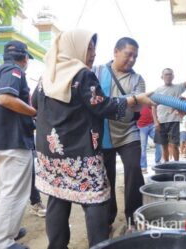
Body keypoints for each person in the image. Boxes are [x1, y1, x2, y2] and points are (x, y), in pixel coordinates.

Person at [32, 30, 154, 248]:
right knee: (96, 200)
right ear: (74, 48)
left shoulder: (47, 75)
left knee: (57, 199)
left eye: (94, 48)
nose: (93, 53)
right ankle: (99, 245)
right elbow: (102, 105)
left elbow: (34, 105)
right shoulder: (83, 75)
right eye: (88, 47)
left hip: (50, 154)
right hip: (80, 153)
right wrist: (134, 99)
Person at [93, 37, 147, 228]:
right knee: (106, 177)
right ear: (116, 51)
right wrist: (126, 100)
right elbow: (92, 100)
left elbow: (136, 106)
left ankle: (133, 217)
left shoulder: (137, 79)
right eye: (128, 54)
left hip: (128, 133)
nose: (132, 59)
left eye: (135, 56)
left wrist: (111, 102)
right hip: (103, 134)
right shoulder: (97, 72)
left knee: (133, 170)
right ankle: (108, 219)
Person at [0, 41, 36, 249]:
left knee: (0, 190)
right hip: (12, 141)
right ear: (24, 58)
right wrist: (35, 113)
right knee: (13, 192)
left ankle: (0, 234)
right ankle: (1, 243)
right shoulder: (14, 70)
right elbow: (5, 98)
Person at [152, 59, 186, 162]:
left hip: (173, 120)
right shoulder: (157, 90)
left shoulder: (178, 87)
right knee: (164, 146)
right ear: (162, 77)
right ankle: (166, 166)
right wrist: (155, 121)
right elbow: (153, 106)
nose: (168, 76)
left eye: (170, 74)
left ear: (173, 76)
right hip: (161, 121)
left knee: (174, 145)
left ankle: (176, 165)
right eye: (166, 74)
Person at [137, 105, 162, 173]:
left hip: (152, 124)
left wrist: (156, 121)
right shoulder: (137, 99)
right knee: (142, 147)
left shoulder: (149, 97)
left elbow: (154, 107)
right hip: (141, 126)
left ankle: (158, 163)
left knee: (159, 142)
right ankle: (143, 167)